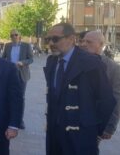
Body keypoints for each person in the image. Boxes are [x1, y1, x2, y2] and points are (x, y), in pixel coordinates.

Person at [43, 23, 115, 155]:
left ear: (71, 39)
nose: (51, 43)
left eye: (55, 39)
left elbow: (107, 101)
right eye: (48, 39)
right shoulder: (51, 61)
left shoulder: (91, 62)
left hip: (81, 137)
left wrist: (93, 130)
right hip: (55, 136)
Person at [79, 31, 120, 148]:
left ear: (101, 44)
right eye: (83, 41)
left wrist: (110, 127)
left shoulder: (113, 68)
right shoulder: (74, 63)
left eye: (89, 42)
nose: (84, 44)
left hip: (94, 124)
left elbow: (116, 100)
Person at [2, 29, 33, 129]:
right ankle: (10, 118)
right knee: (9, 96)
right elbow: (3, 58)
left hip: (22, 74)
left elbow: (31, 59)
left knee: (20, 97)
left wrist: (22, 62)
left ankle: (20, 120)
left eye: (16, 35)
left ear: (20, 36)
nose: (14, 37)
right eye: (12, 35)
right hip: (10, 74)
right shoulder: (7, 46)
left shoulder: (26, 45)